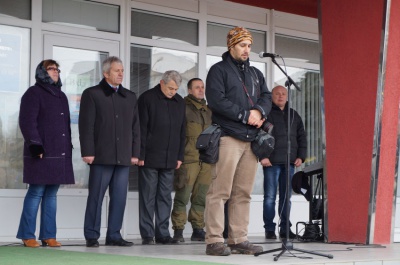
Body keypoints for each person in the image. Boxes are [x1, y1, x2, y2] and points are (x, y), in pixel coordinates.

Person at [204, 26, 272, 256]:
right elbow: (216, 100)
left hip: (250, 141)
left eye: (249, 45)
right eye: (243, 45)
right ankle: (214, 240)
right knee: (219, 191)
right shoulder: (218, 70)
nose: (247, 50)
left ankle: (238, 238)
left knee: (242, 192)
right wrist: (246, 115)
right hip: (227, 137)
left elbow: (267, 96)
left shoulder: (255, 73)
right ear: (231, 46)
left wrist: (260, 112)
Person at [79, 56, 140, 247]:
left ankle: (114, 235)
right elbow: (86, 125)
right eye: (116, 70)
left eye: (122, 70)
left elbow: (135, 127)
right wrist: (88, 151)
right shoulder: (92, 94)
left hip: (123, 156)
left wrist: (135, 153)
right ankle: (91, 235)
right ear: (106, 73)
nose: (121, 73)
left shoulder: (130, 96)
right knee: (96, 197)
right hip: (100, 156)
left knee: (119, 198)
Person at [17, 59, 75, 248]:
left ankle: (48, 235)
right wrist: (35, 145)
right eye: (51, 69)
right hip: (41, 152)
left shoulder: (62, 96)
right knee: (36, 192)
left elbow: (65, 126)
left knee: (51, 194)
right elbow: (27, 121)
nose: (56, 71)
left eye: (57, 68)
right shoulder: (33, 93)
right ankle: (27, 235)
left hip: (59, 152)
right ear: (42, 72)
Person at [137, 70, 186, 245]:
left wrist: (179, 156)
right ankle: (147, 234)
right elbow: (141, 129)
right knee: (148, 196)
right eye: (171, 88)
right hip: (149, 157)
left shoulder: (180, 102)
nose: (173, 92)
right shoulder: (147, 98)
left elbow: (182, 131)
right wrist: (140, 154)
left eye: (176, 89)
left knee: (165, 196)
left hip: (170, 158)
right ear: (162, 83)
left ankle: (163, 234)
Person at [261, 85, 307, 240]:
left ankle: (285, 229)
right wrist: (262, 156)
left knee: (286, 198)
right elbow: (257, 136)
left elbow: (302, 137)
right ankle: (269, 229)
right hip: (271, 162)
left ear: (287, 96)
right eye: (277, 94)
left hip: (289, 163)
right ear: (271, 96)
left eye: (283, 94)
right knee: (270, 197)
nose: (280, 96)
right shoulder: (265, 114)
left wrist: (301, 155)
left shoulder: (294, 115)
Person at [171, 78, 212, 242]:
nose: (201, 90)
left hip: (206, 160)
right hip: (188, 160)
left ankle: (198, 229)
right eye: (197, 87)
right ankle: (178, 231)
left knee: (200, 198)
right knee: (183, 196)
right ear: (189, 90)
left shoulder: (209, 110)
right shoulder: (182, 107)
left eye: (202, 87)